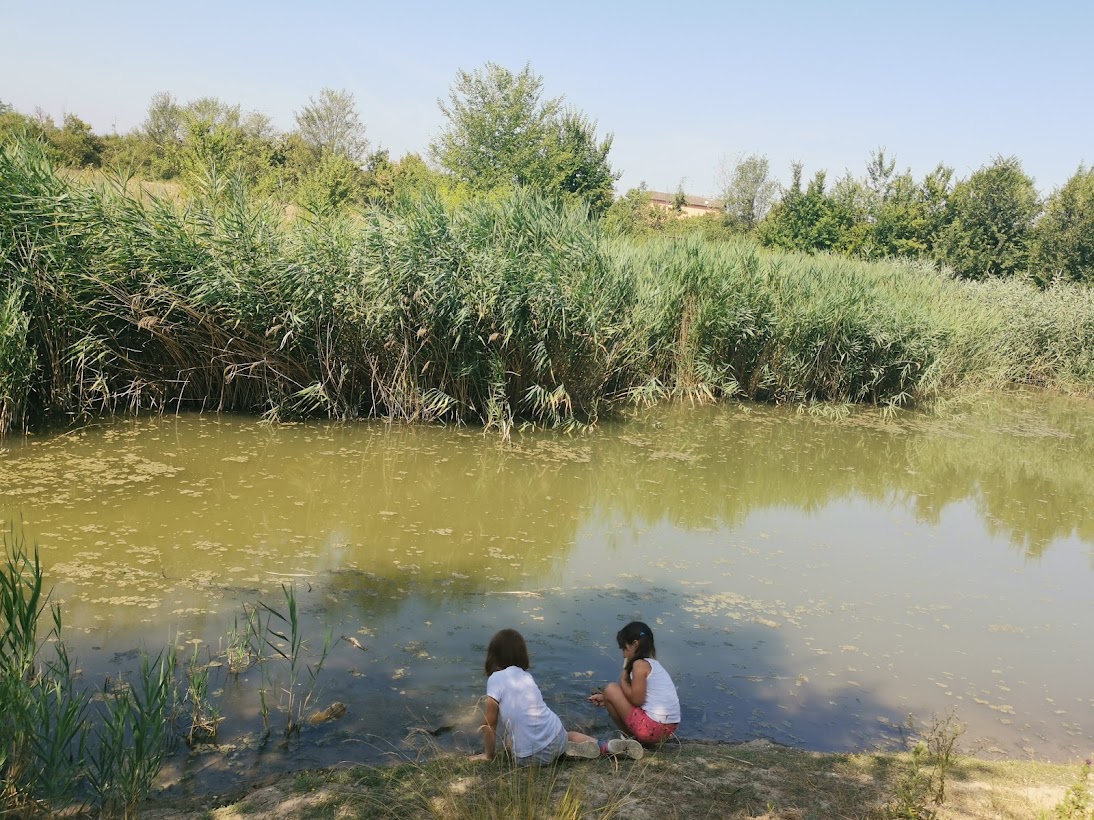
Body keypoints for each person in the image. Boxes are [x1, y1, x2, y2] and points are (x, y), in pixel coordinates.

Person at [473, 628, 623, 764]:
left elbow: (489, 723)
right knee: (568, 735)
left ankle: (554, 754)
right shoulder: (526, 676)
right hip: (556, 735)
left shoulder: (495, 679)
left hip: (529, 758)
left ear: (494, 655)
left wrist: (488, 754)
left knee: (509, 742)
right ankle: (603, 746)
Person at [588, 621, 680, 748]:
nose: (623, 654)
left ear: (635, 644)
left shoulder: (639, 665)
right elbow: (642, 697)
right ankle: (636, 738)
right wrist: (606, 699)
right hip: (667, 729)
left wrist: (624, 677)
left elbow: (637, 700)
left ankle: (630, 739)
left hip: (652, 729)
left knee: (610, 689)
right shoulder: (654, 664)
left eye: (624, 648)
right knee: (609, 694)